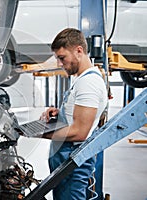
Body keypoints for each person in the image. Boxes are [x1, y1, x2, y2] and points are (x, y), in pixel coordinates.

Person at [40, 28, 108, 200]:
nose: (60, 63)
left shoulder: (89, 83)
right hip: (66, 160)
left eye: (62, 58)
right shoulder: (81, 79)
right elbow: (78, 116)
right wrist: (59, 113)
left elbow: (80, 132)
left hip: (72, 161)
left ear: (79, 51)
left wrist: (40, 133)